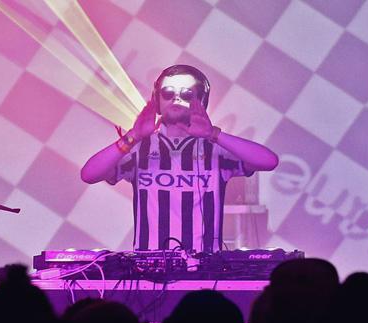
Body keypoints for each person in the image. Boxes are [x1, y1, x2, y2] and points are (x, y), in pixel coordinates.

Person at [81, 65, 278, 252]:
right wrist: (133, 136)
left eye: (186, 94)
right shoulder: (138, 147)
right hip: (149, 265)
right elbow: (89, 175)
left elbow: (269, 161)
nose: (176, 99)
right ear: (157, 100)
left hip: (205, 265)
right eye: (168, 93)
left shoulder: (215, 149)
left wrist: (213, 134)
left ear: (202, 101)